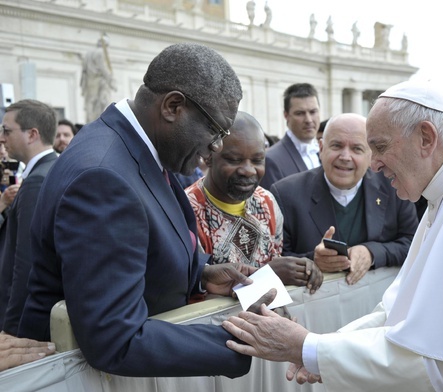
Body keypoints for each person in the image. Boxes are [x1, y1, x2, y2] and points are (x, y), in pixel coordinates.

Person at [221, 80, 443, 391]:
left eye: (379, 146)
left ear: (425, 138)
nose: (374, 164)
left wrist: (310, 348)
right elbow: (400, 311)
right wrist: (323, 348)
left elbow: (436, 360)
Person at [18, 43, 272, 378]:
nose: (217, 146)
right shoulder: (103, 177)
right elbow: (116, 339)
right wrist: (247, 341)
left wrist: (201, 274)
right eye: (216, 129)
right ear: (173, 106)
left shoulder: (133, 150)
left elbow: (140, 244)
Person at [270, 113, 417, 285]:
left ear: (371, 155)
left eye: (357, 149)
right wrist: (313, 260)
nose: (345, 157)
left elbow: (414, 243)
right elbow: (273, 261)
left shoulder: (393, 186)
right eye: (337, 146)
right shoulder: (286, 194)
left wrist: (372, 252)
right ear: (321, 148)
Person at [185, 111, 323, 292]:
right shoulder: (187, 211)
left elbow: (276, 260)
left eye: (258, 160)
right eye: (234, 160)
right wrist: (267, 274)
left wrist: (304, 267)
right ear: (209, 156)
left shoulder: (267, 202)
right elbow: (197, 288)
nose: (249, 170)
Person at [0, 99, 58, 335]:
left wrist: (12, 328)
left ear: (32, 134)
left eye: (6, 130)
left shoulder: (36, 181)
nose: (2, 138)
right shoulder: (54, 166)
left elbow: (26, 261)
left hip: (25, 321)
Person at [259, 83, 321, 189]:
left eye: (313, 112)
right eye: (300, 113)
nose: (309, 120)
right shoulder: (271, 160)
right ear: (286, 115)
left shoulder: (326, 153)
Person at [80, 33, 116, 123]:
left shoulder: (88, 53)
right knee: (101, 102)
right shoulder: (101, 52)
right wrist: (111, 81)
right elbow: (103, 68)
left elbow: (84, 69)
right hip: (98, 80)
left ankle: (89, 120)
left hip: (89, 81)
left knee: (90, 102)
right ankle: (96, 121)